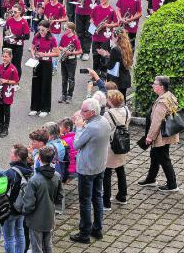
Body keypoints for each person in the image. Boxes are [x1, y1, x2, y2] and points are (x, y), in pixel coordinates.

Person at [69, 97, 111, 244]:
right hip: (100, 166)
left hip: (87, 169)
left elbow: (76, 144)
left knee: (85, 201)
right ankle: (97, 229)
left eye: (84, 111)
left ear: (92, 112)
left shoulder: (90, 127)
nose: (81, 112)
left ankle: (84, 232)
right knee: (97, 197)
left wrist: (79, 127)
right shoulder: (104, 121)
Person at [138, 75, 181, 192]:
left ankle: (172, 184)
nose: (153, 85)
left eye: (155, 84)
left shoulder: (162, 102)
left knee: (164, 158)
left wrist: (149, 137)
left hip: (161, 136)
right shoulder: (169, 96)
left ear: (161, 87)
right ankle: (151, 179)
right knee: (154, 155)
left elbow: (156, 122)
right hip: (167, 133)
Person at [23, 146, 64, 253]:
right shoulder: (57, 176)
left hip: (35, 220)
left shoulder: (34, 180)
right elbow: (60, 196)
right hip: (50, 216)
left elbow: (29, 204)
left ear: (39, 159)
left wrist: (25, 213)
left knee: (36, 247)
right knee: (48, 245)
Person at [102, 90, 130, 210]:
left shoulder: (108, 114)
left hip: (110, 146)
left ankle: (106, 202)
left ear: (110, 101)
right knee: (120, 170)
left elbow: (104, 129)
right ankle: (122, 196)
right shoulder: (127, 111)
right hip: (123, 143)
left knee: (107, 174)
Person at [2, 144, 32, 253]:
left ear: (17, 157)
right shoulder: (30, 170)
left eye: (12, 153)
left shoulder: (11, 173)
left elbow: (5, 191)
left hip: (11, 210)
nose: (10, 155)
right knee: (20, 233)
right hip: (22, 207)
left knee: (9, 237)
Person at [29, 20, 58, 117]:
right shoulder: (36, 36)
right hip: (37, 62)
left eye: (43, 30)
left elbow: (56, 53)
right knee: (35, 84)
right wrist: (33, 55)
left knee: (45, 85)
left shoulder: (51, 39)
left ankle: (45, 108)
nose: (41, 32)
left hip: (46, 63)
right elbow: (32, 47)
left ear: (48, 29)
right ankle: (34, 107)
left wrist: (45, 54)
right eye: (39, 29)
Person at [96, 29, 133, 98]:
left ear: (117, 37)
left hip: (117, 80)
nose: (111, 38)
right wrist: (109, 55)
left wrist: (106, 56)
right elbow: (119, 60)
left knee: (115, 101)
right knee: (122, 99)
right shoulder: (127, 47)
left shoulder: (115, 49)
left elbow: (110, 66)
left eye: (112, 36)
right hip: (125, 78)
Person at [0, 48, 18, 138]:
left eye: (6, 57)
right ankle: (0, 127)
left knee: (6, 112)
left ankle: (5, 129)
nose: (4, 58)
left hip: (7, 93)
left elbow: (16, 81)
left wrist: (6, 81)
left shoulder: (13, 69)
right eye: (3, 56)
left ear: (11, 57)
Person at [58, 22, 82, 104]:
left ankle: (69, 95)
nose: (64, 30)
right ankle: (63, 94)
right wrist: (64, 49)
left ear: (70, 30)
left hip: (71, 60)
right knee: (64, 78)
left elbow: (80, 51)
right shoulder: (64, 36)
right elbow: (59, 46)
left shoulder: (75, 39)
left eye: (65, 28)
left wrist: (71, 53)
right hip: (64, 59)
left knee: (71, 78)